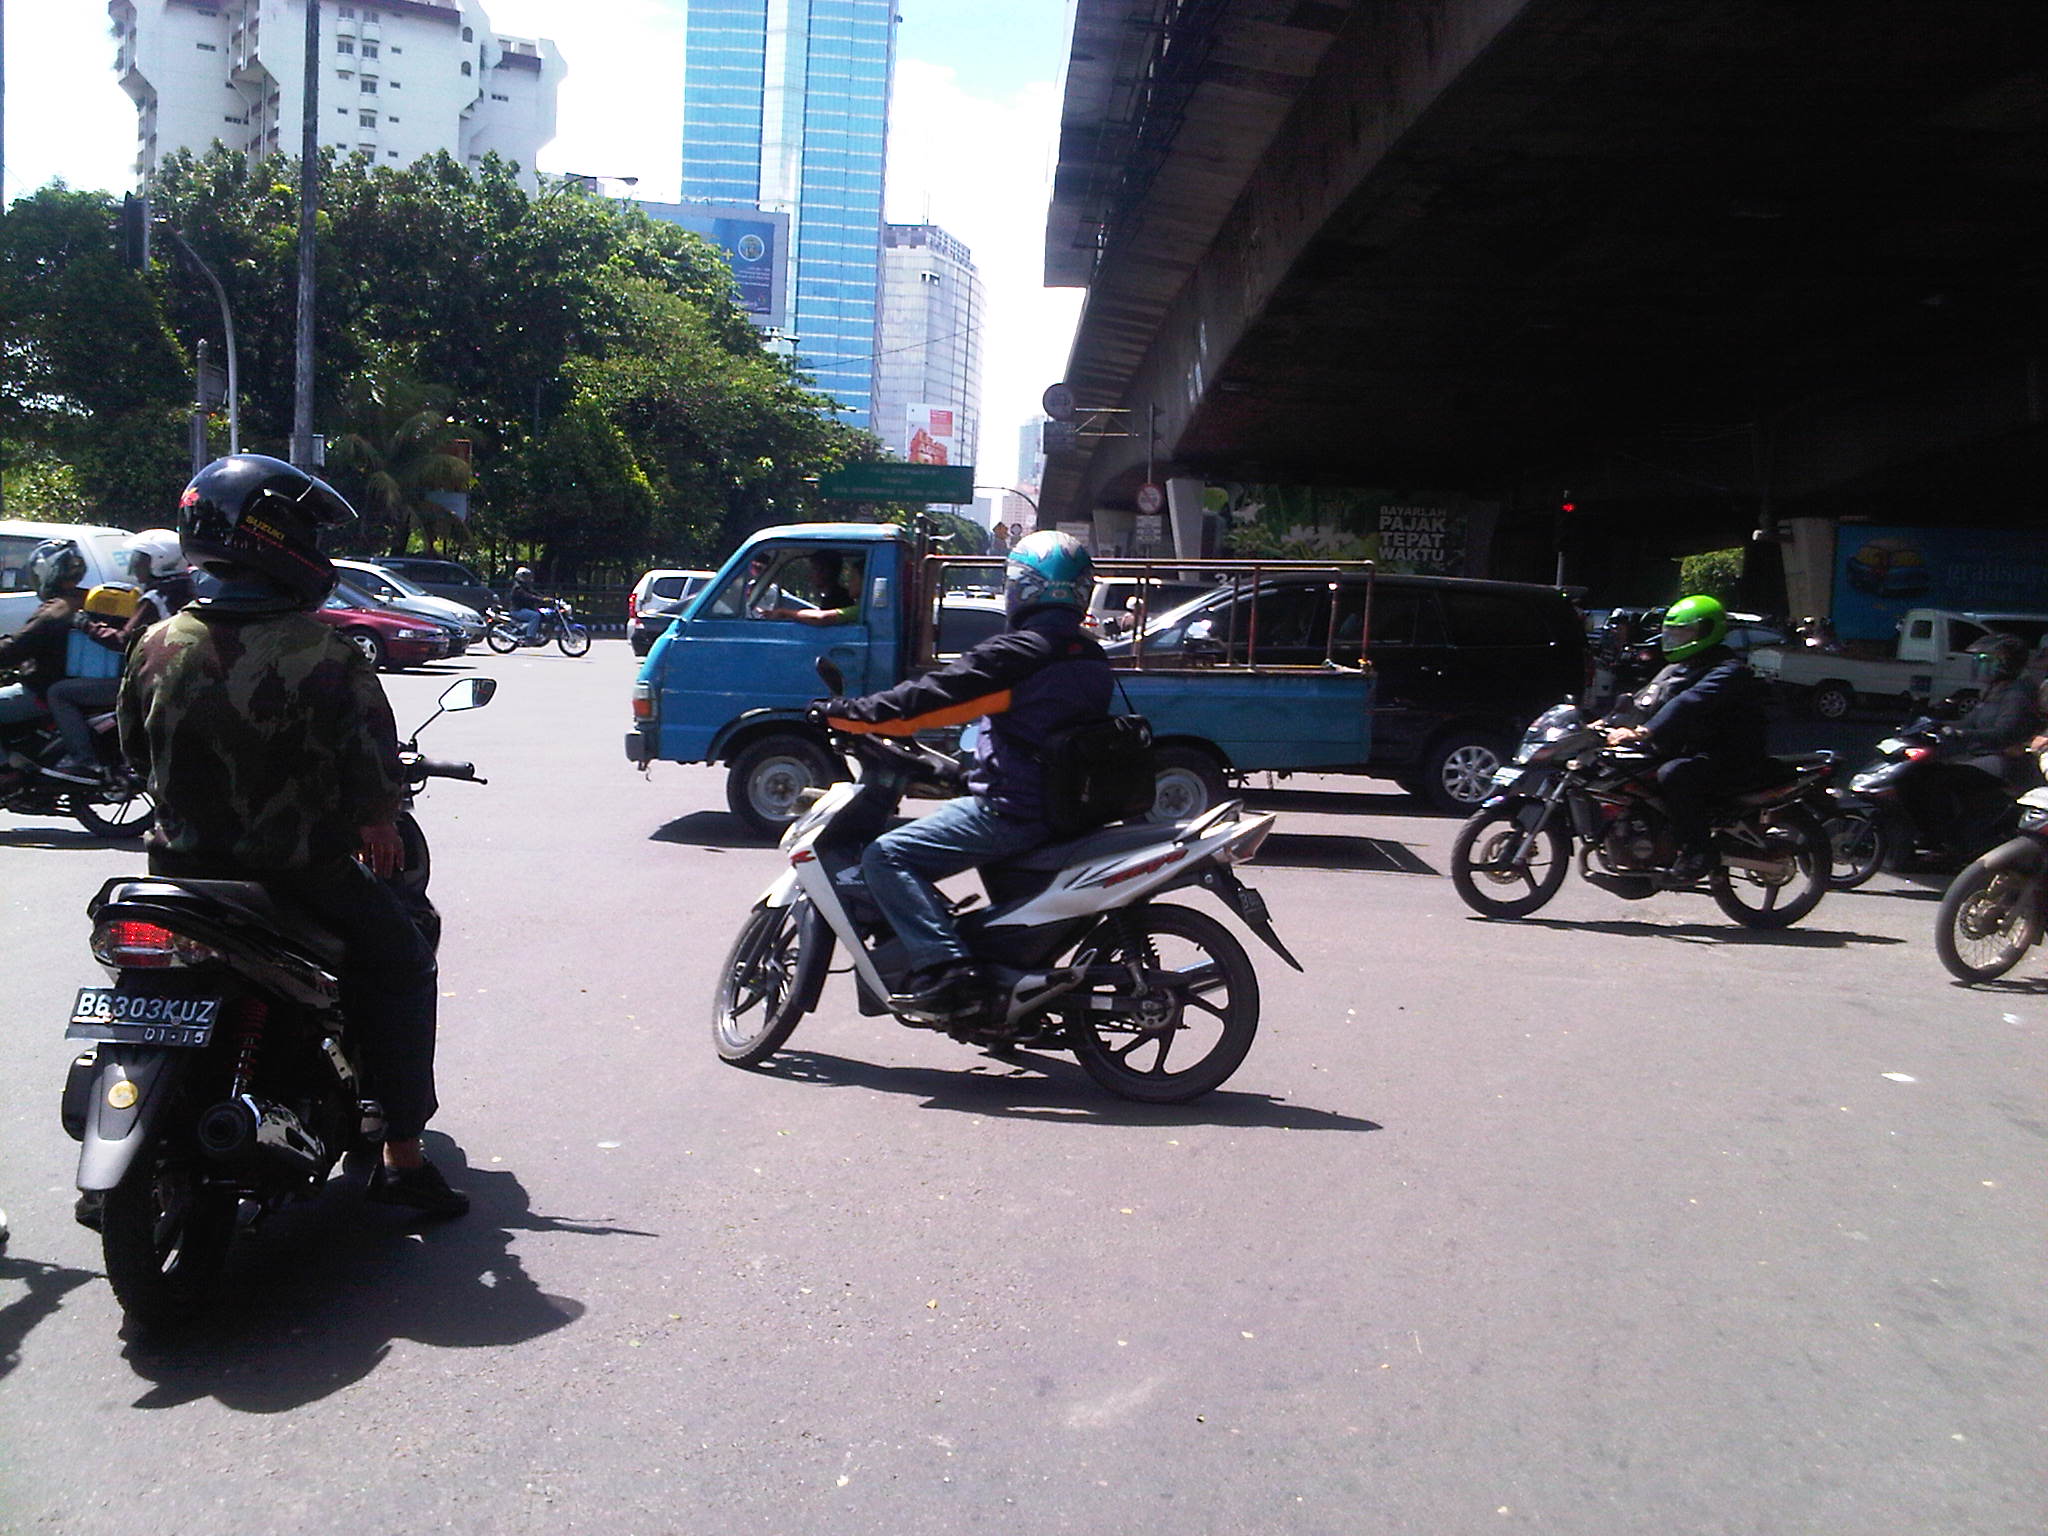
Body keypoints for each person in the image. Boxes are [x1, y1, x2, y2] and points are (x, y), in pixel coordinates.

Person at [118, 454, 466, 1216]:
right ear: (280, 541)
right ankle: (403, 1158)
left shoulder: (153, 642)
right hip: (298, 871)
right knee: (404, 963)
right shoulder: (327, 652)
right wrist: (373, 820)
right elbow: (373, 782)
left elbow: (133, 757)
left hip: (176, 871)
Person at [817, 531, 1113, 1019]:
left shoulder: (1019, 654)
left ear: (1021, 587)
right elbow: (1039, 731)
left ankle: (945, 969)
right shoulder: (1089, 654)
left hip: (1015, 811)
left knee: (886, 855)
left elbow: (928, 702)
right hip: (1069, 808)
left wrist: (845, 713)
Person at [1602, 593, 1774, 881]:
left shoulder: (1729, 671)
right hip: (1692, 749)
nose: (1675, 639)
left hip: (1730, 756)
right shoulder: (1679, 668)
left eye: (1684, 633)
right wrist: (1602, 723)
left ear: (1709, 631)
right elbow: (1646, 699)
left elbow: (1688, 702)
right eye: (1671, 632)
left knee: (1673, 774)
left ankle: (1698, 850)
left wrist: (1644, 731)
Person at [46, 530, 194, 781]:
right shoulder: (187, 588)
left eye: (141, 559)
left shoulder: (155, 598)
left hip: (148, 679)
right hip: (178, 674)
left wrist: (86, 625)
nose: (135, 565)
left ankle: (83, 759)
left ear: (160, 561)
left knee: (59, 692)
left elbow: (124, 641)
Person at [0, 540, 88, 727]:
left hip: (42, 691)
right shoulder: (84, 597)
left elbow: (14, 649)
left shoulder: (54, 611)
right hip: (71, 686)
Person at [757, 551, 860, 627]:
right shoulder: (830, 596)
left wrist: (784, 613)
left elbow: (821, 618)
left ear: (825, 571)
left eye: (814, 569)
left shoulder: (842, 600)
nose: (810, 575)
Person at [509, 565, 548, 643]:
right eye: (526, 576)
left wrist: (545, 598)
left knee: (540, 613)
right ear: (520, 576)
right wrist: (539, 599)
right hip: (517, 610)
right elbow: (528, 596)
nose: (528, 578)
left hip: (523, 609)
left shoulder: (525, 586)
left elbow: (533, 593)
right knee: (535, 616)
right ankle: (530, 637)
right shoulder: (518, 588)